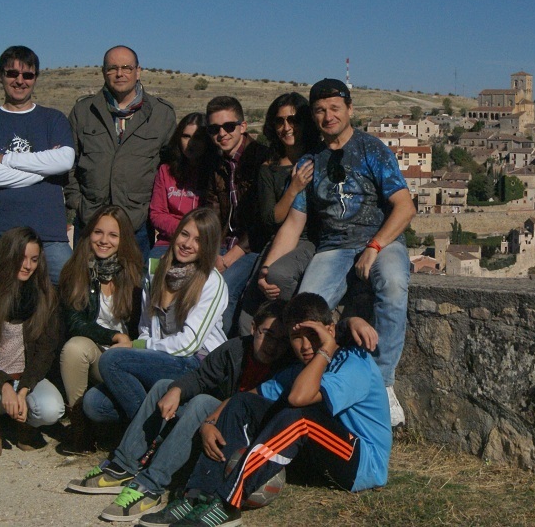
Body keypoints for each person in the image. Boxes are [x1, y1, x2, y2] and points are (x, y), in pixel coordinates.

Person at [138, 293, 389, 527]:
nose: (304, 346)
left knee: (299, 417)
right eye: (295, 337)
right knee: (241, 404)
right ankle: (197, 495)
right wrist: (210, 423)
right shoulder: (301, 370)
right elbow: (248, 398)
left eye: (312, 335)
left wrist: (326, 348)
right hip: (321, 458)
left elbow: (299, 397)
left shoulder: (353, 362)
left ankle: (228, 503)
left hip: (361, 464)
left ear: (330, 330)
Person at [257, 78, 415, 427]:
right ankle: (311, 387)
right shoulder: (311, 164)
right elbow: (294, 224)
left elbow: (404, 207)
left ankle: (383, 383)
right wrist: (267, 268)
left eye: (334, 108)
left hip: (381, 240)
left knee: (392, 283)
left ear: (349, 110)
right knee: (307, 308)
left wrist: (374, 247)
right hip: (334, 248)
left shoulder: (372, 150)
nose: (328, 116)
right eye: (320, 111)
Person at [65, 300, 289, 523]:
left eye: (281, 340)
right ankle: (123, 466)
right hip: (214, 419)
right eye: (267, 334)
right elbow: (201, 376)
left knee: (202, 402)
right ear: (253, 328)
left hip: (240, 433)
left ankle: (151, 485)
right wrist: (177, 390)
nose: (272, 345)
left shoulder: (286, 367)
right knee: (165, 386)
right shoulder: (235, 349)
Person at [82, 208, 228, 423]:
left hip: (196, 364)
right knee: (94, 403)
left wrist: (138, 347)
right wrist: (142, 346)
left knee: (111, 361)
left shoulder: (211, 282)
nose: (187, 244)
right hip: (161, 358)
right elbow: (145, 329)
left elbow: (188, 345)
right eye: (185, 234)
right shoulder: (156, 272)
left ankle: (145, 440)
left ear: (208, 246)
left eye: (198, 240)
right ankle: (161, 427)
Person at [0, 46, 75, 283]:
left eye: (27, 75)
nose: (20, 81)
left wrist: (7, 160)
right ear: (0, 76)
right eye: (12, 74)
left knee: (71, 294)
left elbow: (65, 160)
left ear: (35, 78)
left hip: (49, 234)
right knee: (0, 308)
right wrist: (43, 170)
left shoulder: (54, 119)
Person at [65, 45, 175, 257]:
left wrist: (149, 210)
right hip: (91, 220)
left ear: (138, 71)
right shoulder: (83, 111)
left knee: (133, 286)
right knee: (85, 285)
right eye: (112, 68)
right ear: (103, 72)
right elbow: (69, 162)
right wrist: (77, 203)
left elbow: (168, 169)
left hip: (136, 223)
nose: (119, 73)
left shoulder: (162, 114)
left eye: (126, 67)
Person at [0, 227, 65, 458]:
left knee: (52, 409)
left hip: (27, 378)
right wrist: (5, 385)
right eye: (21, 258)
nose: (27, 265)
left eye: (33, 259)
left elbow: (44, 352)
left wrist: (23, 390)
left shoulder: (46, 297)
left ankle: (26, 425)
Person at [59, 205, 144, 454]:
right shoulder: (75, 270)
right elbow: (75, 322)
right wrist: (113, 336)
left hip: (128, 356)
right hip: (98, 352)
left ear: (123, 239)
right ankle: (79, 426)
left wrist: (129, 343)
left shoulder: (135, 276)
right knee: (75, 347)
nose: (104, 240)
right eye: (98, 232)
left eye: (113, 235)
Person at [249, 93, 321, 324]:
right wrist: (294, 188)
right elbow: (272, 219)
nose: (286, 127)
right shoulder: (269, 169)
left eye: (293, 120)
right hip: (278, 240)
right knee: (246, 318)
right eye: (279, 121)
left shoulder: (320, 159)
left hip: (311, 241)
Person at [202, 96, 270, 337]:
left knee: (224, 292)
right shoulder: (215, 163)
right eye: (214, 129)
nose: (222, 134)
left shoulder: (262, 160)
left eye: (229, 126)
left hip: (252, 247)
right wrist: (209, 252)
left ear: (243, 126)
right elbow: (211, 213)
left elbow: (262, 223)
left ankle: (219, 360)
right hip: (222, 245)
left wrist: (227, 259)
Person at [149, 113, 210, 260]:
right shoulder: (165, 171)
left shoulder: (214, 174)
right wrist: (183, 232)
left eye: (197, 138)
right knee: (152, 278)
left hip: (203, 243)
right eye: (186, 136)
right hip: (168, 242)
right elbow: (157, 213)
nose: (191, 143)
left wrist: (192, 236)